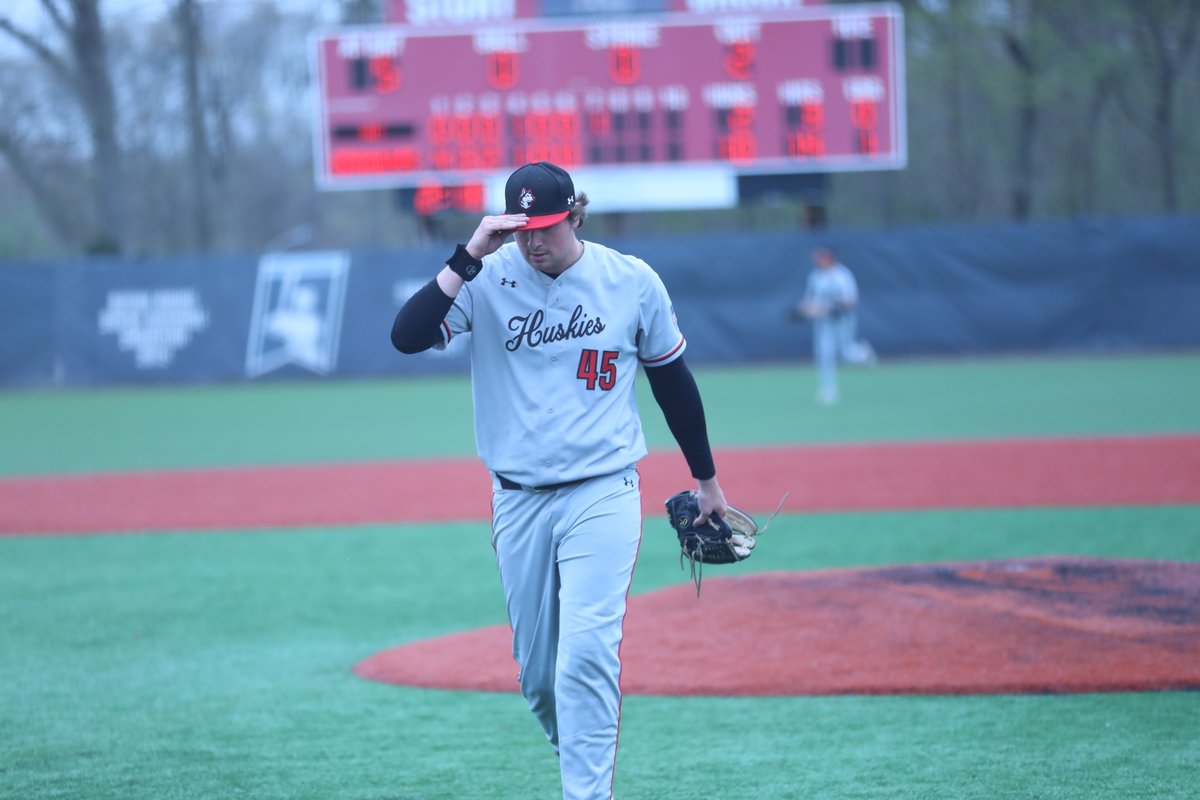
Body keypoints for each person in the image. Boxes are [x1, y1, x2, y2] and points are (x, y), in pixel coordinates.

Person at [389, 161, 733, 800]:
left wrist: (706, 479)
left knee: (586, 656)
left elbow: (672, 382)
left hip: (601, 492)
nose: (532, 241)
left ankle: (587, 794)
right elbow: (406, 336)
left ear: (575, 215)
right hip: (516, 501)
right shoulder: (486, 279)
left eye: (545, 226)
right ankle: (583, 759)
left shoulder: (629, 281)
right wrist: (468, 255)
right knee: (540, 679)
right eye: (520, 229)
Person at [793, 246, 876, 405]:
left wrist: (832, 308)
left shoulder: (843, 276)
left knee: (846, 354)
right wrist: (802, 311)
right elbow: (811, 301)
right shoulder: (816, 277)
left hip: (842, 321)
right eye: (818, 259)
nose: (819, 261)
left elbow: (850, 302)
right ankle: (829, 390)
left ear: (831, 259)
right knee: (824, 355)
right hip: (824, 323)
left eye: (822, 258)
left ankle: (863, 353)